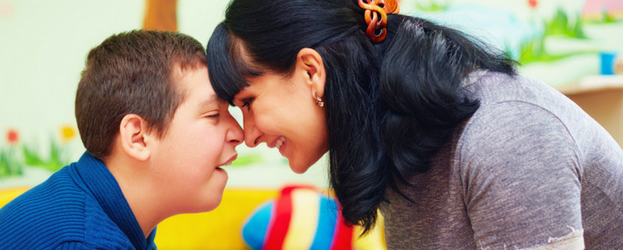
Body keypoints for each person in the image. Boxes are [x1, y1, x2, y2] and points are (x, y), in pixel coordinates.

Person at [206, 0, 623, 249]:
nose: (248, 133)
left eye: (248, 102)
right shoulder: (398, 143)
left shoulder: (504, 132)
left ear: (312, 72)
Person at [0, 30, 243, 249]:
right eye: (212, 114)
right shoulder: (83, 240)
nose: (239, 133)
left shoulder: (106, 217)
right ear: (138, 137)